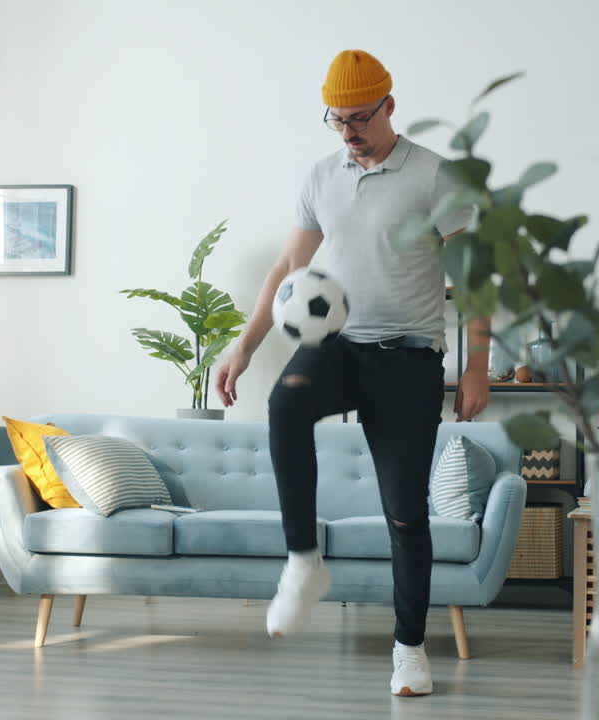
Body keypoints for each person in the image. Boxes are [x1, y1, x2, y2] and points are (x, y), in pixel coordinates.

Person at [213, 49, 492, 697]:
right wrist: (244, 347)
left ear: (390, 106)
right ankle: (303, 563)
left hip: (409, 360)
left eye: (359, 118)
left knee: (403, 514)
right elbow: (286, 270)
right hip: (338, 346)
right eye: (335, 120)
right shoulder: (319, 176)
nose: (347, 131)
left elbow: (475, 279)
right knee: (285, 404)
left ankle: (409, 649)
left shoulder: (436, 178)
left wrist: (477, 365)